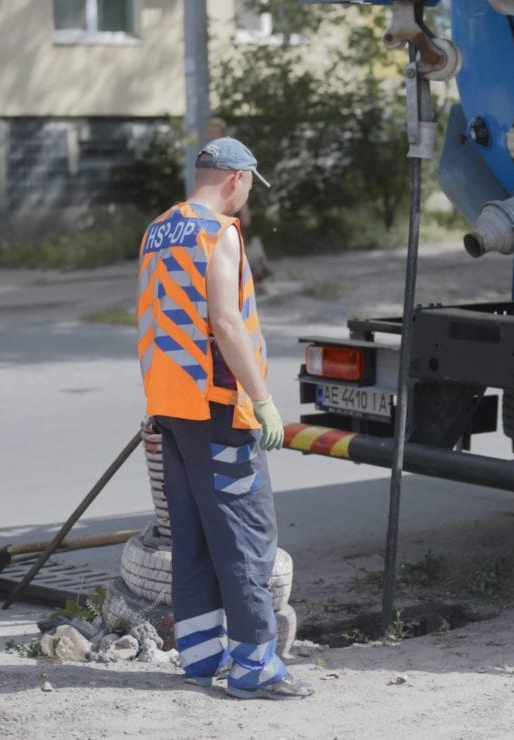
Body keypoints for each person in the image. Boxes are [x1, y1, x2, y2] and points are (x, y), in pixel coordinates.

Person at [136, 136, 313, 698]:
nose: (245, 200)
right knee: (244, 536)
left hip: (171, 406)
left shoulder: (158, 229)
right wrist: (261, 398)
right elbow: (226, 322)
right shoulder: (219, 233)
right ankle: (255, 666)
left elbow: (162, 317)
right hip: (216, 406)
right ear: (237, 179)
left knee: (190, 534)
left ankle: (199, 655)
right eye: (248, 189)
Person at [204, 117, 272, 281]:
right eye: (210, 132)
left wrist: (244, 208)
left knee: (234, 243)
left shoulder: (229, 153)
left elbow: (238, 181)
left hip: (229, 206)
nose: (212, 136)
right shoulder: (205, 155)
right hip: (213, 207)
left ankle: (246, 278)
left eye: (215, 132)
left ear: (222, 133)